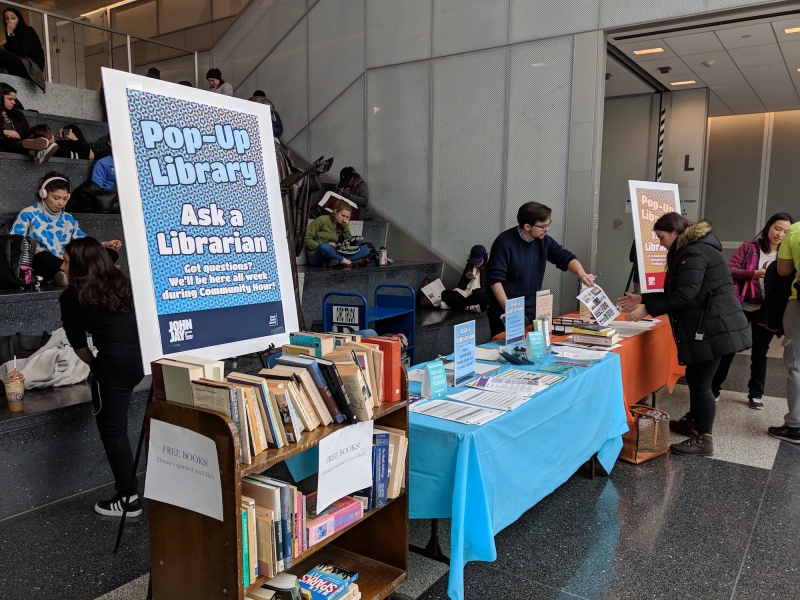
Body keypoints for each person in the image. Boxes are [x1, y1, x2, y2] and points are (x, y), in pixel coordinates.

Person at [618, 214, 751, 457]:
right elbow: (681, 290)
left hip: (712, 327)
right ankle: (694, 422)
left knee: (701, 383)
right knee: (697, 377)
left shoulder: (693, 253)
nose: (660, 243)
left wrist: (648, 308)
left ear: (675, 233)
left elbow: (684, 295)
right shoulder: (693, 249)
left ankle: (703, 439)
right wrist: (643, 298)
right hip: (711, 324)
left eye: (661, 237)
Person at [59, 237, 144, 517]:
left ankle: (128, 498)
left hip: (113, 364)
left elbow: (79, 344)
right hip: (140, 361)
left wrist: (97, 367)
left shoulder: (72, 295)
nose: (63, 266)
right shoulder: (125, 283)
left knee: (113, 432)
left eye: (68, 261)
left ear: (81, 265)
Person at [712, 213, 794, 409]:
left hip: (767, 310)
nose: (780, 234)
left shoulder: (787, 255)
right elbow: (729, 269)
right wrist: (752, 274)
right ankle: (714, 388)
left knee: (760, 353)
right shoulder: (749, 247)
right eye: (777, 228)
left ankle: (756, 394)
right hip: (742, 305)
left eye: (786, 231)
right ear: (768, 227)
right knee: (729, 349)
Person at [485, 201, 595, 337]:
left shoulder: (543, 240)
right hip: (506, 310)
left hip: (532, 308)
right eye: (542, 226)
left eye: (548, 224)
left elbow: (565, 257)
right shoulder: (504, 242)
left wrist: (582, 275)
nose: (547, 229)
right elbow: (495, 280)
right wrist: (510, 309)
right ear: (527, 226)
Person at [11, 173, 122, 284]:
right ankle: (93, 274)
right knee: (42, 258)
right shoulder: (28, 214)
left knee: (110, 254)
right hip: (46, 261)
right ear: (43, 194)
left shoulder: (68, 219)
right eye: (56, 198)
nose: (61, 203)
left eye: (65, 199)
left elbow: (83, 243)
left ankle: (68, 276)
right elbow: (14, 241)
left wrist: (105, 245)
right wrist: (29, 250)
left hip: (69, 261)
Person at [768, 221, 800, 444]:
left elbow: (783, 270)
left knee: (797, 365)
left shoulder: (796, 230)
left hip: (798, 303)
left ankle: (796, 426)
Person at [305, 200, 370, 268]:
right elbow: (307, 238)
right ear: (335, 211)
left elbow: (347, 245)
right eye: (342, 215)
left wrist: (336, 245)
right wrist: (319, 245)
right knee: (324, 246)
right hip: (316, 255)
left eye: (347, 217)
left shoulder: (342, 226)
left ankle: (336, 261)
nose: (344, 219)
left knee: (365, 249)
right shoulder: (322, 219)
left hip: (333, 253)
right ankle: (349, 262)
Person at [0, 82, 52, 160]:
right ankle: (37, 150)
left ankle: (43, 147)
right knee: (9, 141)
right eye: (10, 99)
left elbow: (26, 132)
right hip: (5, 143)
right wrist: (4, 132)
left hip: (20, 142)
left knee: (41, 130)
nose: (14, 102)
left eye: (14, 99)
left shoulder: (18, 114)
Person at [1, 9, 45, 90]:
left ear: (19, 19)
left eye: (13, 18)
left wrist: (10, 33)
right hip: (20, 65)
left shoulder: (28, 31)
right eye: (6, 18)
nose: (10, 21)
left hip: (31, 67)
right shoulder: (11, 37)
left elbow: (19, 53)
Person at [441, 245, 490, 313]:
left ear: (484, 258)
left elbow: (490, 287)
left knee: (484, 297)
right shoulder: (469, 265)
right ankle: (467, 308)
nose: (476, 264)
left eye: (478, 262)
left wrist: (475, 291)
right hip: (466, 295)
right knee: (445, 293)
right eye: (474, 262)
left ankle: (456, 305)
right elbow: (461, 286)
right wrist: (466, 278)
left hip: (476, 295)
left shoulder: (490, 267)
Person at [25, 123, 95, 160]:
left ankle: (40, 148)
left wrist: (61, 140)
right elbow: (87, 154)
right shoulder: (59, 149)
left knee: (71, 127)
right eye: (51, 134)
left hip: (73, 148)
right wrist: (75, 139)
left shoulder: (59, 144)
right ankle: (44, 147)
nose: (53, 135)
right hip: (92, 151)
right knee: (72, 127)